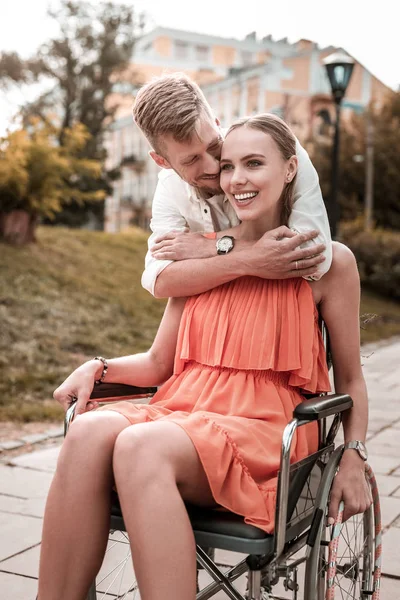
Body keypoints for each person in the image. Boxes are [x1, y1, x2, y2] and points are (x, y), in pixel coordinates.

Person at [37, 113, 371, 600]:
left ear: (291, 168)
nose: (237, 180)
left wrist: (354, 457)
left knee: (140, 445)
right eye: (229, 166)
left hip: (264, 428)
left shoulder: (325, 263)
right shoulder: (202, 255)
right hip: (185, 409)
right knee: (87, 429)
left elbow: (353, 380)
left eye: (254, 163)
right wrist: (100, 367)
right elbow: (158, 364)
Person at [132, 73, 332, 299]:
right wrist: (246, 260)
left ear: (217, 124)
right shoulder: (169, 188)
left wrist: (209, 247)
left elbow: (313, 252)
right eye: (192, 160)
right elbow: (160, 280)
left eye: (214, 145)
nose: (213, 167)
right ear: (162, 161)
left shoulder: (276, 147)